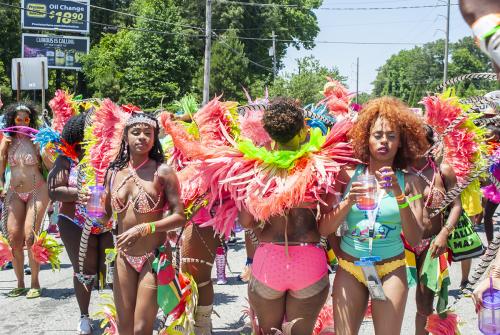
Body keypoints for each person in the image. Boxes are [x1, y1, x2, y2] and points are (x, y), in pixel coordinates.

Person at [319, 97, 426, 335]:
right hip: (350, 268)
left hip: (391, 269)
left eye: (391, 136)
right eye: (377, 135)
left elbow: (416, 238)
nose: (384, 141)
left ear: (401, 143)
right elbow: (324, 230)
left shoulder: (410, 182)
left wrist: (398, 195)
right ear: (366, 138)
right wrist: (349, 201)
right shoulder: (346, 176)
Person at [239, 98, 331, 335]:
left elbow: (246, 221)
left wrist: (261, 234)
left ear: (269, 134)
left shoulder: (259, 169)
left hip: (269, 259)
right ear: (303, 130)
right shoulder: (319, 166)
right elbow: (329, 221)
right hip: (309, 260)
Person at [102, 112, 185, 335]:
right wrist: (91, 207)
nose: (142, 137)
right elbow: (104, 216)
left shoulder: (163, 172)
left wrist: (146, 227)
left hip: (154, 257)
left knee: (141, 328)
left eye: (148, 133)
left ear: (155, 138)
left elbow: (180, 216)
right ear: (125, 137)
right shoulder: (112, 173)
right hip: (123, 257)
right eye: (136, 132)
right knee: (126, 328)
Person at [47, 113, 114, 335]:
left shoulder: (113, 157)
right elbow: (54, 190)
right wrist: (79, 194)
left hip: (108, 222)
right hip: (75, 221)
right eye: (89, 127)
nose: (94, 130)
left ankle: (111, 315)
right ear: (78, 131)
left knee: (111, 269)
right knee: (85, 270)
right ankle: (84, 316)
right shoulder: (67, 158)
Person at [411, 126, 462, 335]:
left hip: (430, 244)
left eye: (421, 142)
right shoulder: (398, 171)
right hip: (400, 244)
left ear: (431, 144)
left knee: (424, 306)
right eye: (411, 141)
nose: (415, 147)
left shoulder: (444, 171)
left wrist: (444, 232)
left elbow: (456, 205)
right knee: (387, 300)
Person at [0, 103, 50, 299]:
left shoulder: (37, 139)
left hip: (37, 190)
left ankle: (35, 282)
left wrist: (43, 149)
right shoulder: (7, 141)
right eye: (18, 119)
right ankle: (20, 283)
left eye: (26, 119)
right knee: (13, 238)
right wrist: (3, 147)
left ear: (31, 120)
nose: (21, 123)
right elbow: (1, 169)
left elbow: (49, 165)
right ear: (12, 120)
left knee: (30, 236)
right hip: (13, 191)